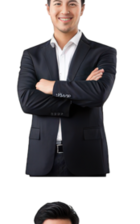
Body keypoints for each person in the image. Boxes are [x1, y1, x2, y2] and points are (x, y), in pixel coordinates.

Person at [17, 1, 117, 176]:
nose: (65, 10)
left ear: (83, 8)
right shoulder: (32, 55)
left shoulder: (104, 53)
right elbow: (27, 101)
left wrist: (52, 86)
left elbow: (98, 94)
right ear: (47, 9)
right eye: (58, 3)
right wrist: (81, 91)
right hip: (41, 158)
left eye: (71, 3)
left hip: (88, 157)